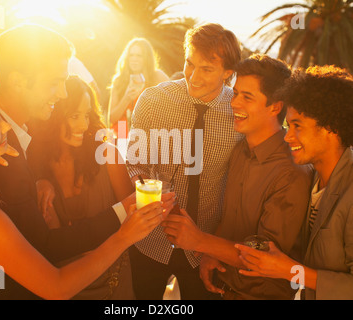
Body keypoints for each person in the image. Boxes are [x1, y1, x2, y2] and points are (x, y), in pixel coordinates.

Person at [0, 23, 174, 300]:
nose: (62, 94)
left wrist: (39, 179)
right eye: (54, 83)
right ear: (18, 81)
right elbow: (44, 250)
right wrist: (124, 223)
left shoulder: (23, 134)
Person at [162, 54, 312, 300]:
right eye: (235, 93)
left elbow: (264, 258)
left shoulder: (291, 171)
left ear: (275, 106)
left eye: (247, 97)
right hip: (222, 289)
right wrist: (212, 252)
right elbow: (231, 217)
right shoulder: (241, 150)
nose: (234, 103)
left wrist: (200, 241)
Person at [126, 23, 243, 300]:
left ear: (228, 73)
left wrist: (213, 245)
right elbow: (134, 160)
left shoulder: (239, 114)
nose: (194, 76)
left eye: (207, 69)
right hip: (149, 240)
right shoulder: (153, 100)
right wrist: (148, 191)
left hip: (205, 251)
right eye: (190, 64)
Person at [235, 65, 353, 300]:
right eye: (288, 126)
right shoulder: (312, 179)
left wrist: (289, 270)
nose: (288, 136)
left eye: (297, 126)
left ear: (331, 127)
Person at [27, 75, 136, 299]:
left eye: (86, 115)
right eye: (74, 116)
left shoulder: (107, 154)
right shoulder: (35, 165)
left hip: (114, 283)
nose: (84, 125)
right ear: (53, 116)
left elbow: (133, 214)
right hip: (64, 286)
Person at [108, 37, 169, 137]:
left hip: (148, 132)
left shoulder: (157, 76)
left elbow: (175, 101)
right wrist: (126, 98)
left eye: (139, 56)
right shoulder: (119, 80)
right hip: (122, 132)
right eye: (131, 55)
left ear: (147, 58)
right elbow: (111, 118)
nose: (134, 59)